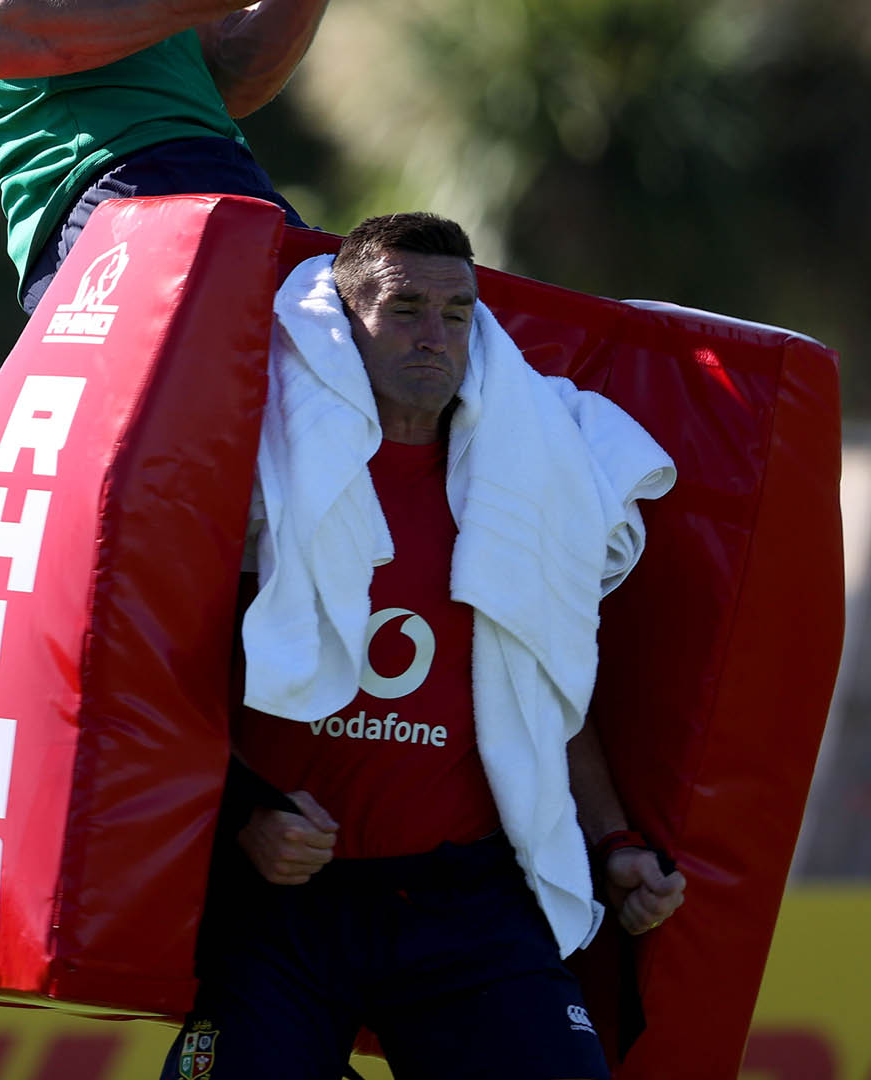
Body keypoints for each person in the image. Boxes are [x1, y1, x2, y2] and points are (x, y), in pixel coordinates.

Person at [160, 213, 687, 1080]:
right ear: (343, 322)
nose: (434, 336)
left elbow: (540, 685)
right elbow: (160, 675)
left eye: (456, 312)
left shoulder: (526, 482)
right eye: (404, 309)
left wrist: (616, 842)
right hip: (284, 898)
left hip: (463, 900)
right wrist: (241, 818)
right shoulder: (259, 468)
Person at [0, 0, 327, 313]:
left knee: (355, 373)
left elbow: (232, 71)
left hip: (219, 175)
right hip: (112, 187)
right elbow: (3, 27)